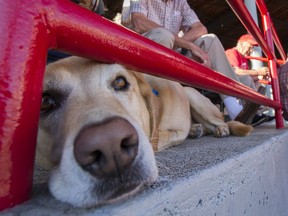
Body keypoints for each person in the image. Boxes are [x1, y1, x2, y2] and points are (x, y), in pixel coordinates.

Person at [121, 0, 260, 122]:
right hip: (141, 58)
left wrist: (180, 43)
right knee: (164, 35)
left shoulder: (180, 2)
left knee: (209, 39)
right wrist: (188, 45)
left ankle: (234, 107)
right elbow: (138, 22)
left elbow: (201, 28)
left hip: (172, 57)